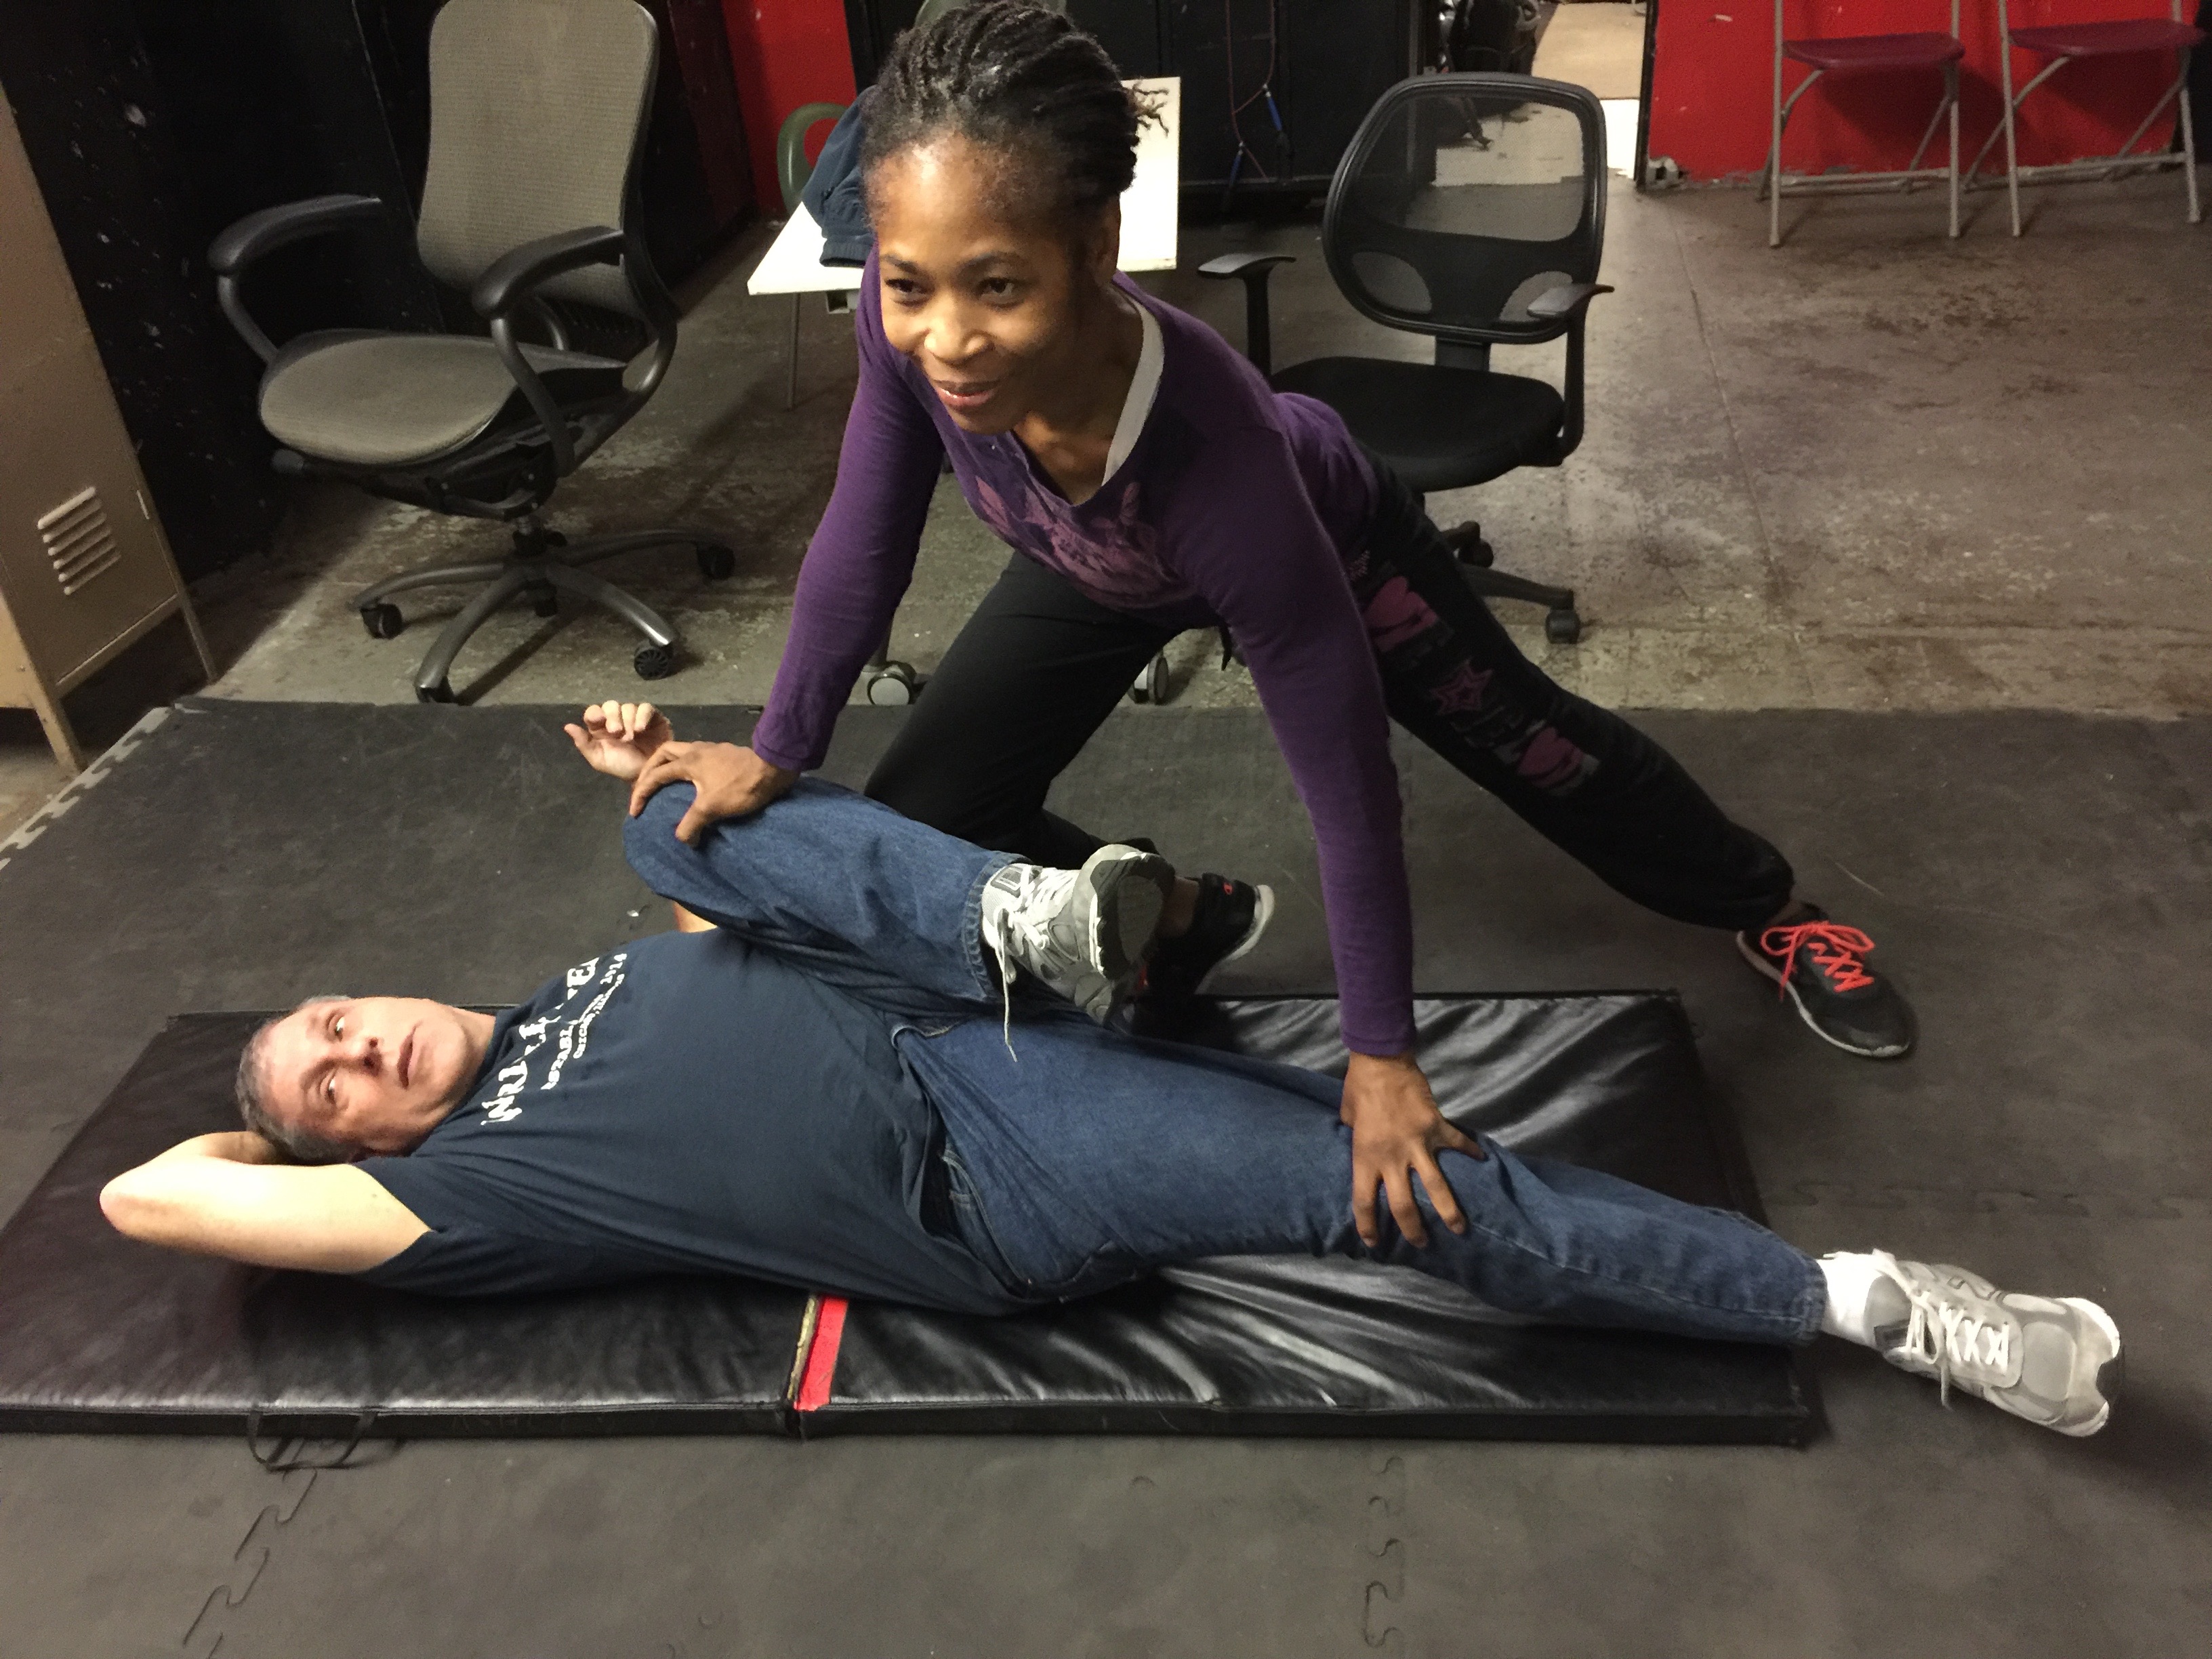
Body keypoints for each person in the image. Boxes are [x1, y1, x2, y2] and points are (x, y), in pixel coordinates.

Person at [622, 0, 1916, 1258]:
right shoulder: (906, 331)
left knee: (1545, 752)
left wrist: (1380, 1054)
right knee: (932, 814)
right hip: (1096, 563)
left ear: (1097, 241)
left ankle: (1771, 906)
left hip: (1326, 549)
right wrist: (778, 747)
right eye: (914, 285)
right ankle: (1173, 919)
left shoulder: (1220, 460)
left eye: (1000, 287)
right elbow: (864, 537)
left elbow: (1347, 786)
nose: (949, 339)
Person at [99, 704, 2116, 1439]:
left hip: (963, 988)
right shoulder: (460, 1192)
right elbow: (149, 1197)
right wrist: (257, 1121)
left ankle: (1047, 921)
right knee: (1401, 1183)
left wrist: (655, 781)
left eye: (336, 1018)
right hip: (984, 1160)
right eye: (327, 1086)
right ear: (348, 1147)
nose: (353, 1048)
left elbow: (781, 886)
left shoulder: (580, 983)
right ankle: (1871, 1303)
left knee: (690, 824)